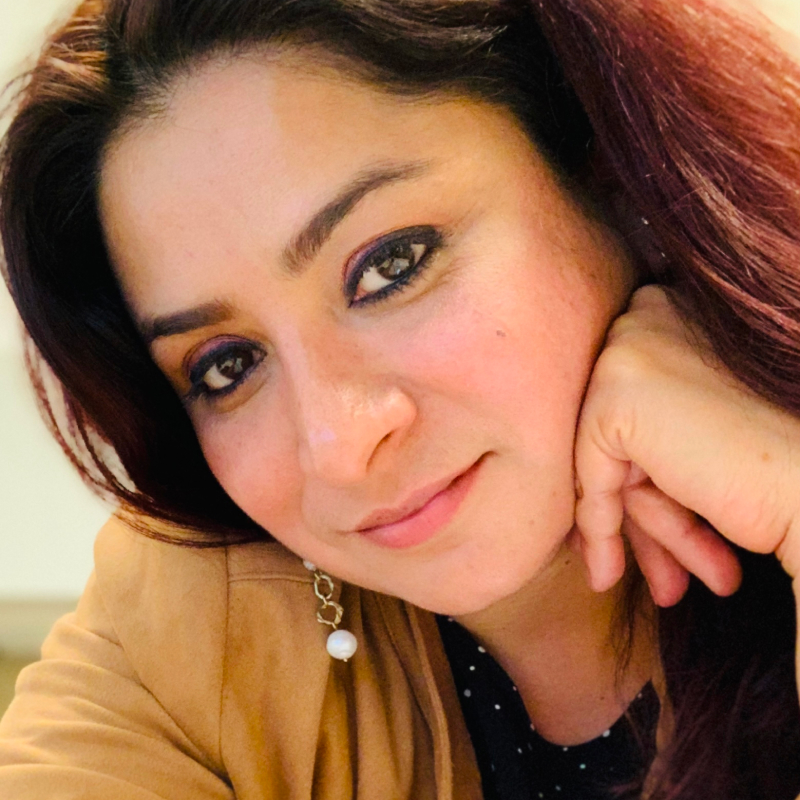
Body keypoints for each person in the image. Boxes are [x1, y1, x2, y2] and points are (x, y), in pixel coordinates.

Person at [0, 0, 799, 797]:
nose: (338, 447)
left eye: (391, 266)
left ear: (621, 181)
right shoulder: (201, 619)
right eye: (226, 366)